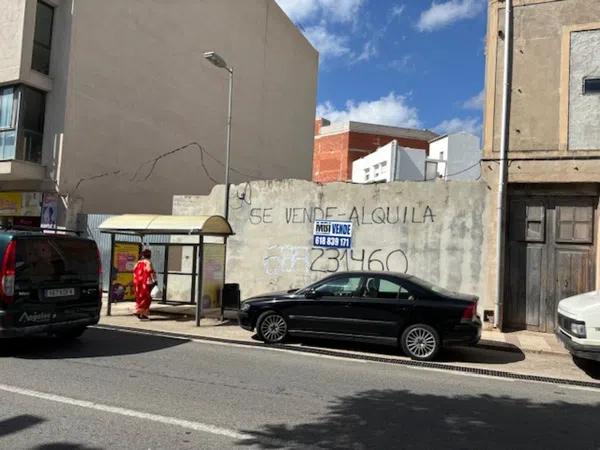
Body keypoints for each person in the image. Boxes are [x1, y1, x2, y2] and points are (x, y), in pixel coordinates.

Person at [133, 249, 156, 320]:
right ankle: (143, 314)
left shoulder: (138, 262)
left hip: (137, 283)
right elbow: (150, 271)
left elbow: (134, 271)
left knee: (139, 297)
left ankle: (139, 311)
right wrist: (155, 281)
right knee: (146, 298)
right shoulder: (148, 262)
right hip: (146, 283)